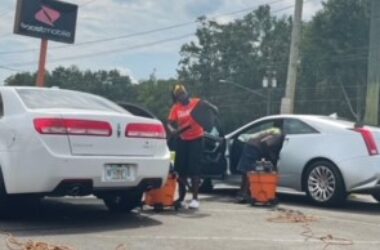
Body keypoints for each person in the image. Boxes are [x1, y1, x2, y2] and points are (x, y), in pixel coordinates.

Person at [167, 84, 207, 209]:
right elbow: (169, 123)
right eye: (178, 95)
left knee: (194, 169)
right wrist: (173, 130)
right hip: (182, 139)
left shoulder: (196, 103)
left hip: (196, 139)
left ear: (187, 93)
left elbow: (208, 110)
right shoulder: (176, 108)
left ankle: (195, 198)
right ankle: (182, 197)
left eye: (182, 94)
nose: (181, 97)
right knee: (181, 170)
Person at [235, 127, 284, 203]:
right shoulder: (278, 135)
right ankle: (243, 194)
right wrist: (269, 157)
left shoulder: (275, 131)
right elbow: (265, 142)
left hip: (252, 144)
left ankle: (243, 193)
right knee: (249, 171)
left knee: (247, 171)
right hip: (253, 147)